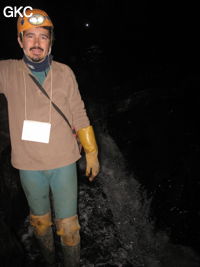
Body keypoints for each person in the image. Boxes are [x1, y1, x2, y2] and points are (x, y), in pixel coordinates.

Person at [0, 8, 100, 267]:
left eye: (43, 37)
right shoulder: (7, 72)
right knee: (40, 223)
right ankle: (47, 260)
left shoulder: (65, 72)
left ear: (51, 41)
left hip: (64, 161)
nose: (36, 43)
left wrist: (92, 152)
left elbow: (79, 113)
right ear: (20, 41)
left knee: (69, 228)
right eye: (29, 36)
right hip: (28, 165)